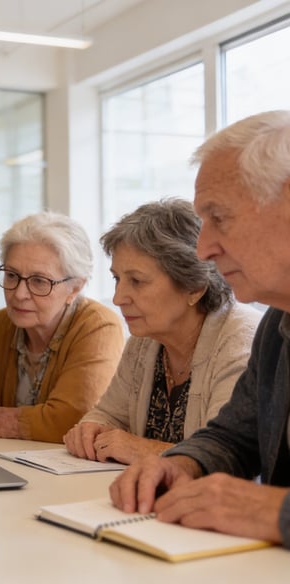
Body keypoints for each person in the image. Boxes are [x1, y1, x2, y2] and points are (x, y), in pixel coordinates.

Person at [109, 110, 290, 548]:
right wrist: (182, 464)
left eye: (219, 217)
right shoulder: (277, 327)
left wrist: (276, 511)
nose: (205, 248)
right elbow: (234, 436)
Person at [64, 199, 260, 465]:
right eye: (116, 278)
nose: (119, 297)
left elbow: (227, 455)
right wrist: (90, 430)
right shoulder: (144, 340)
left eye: (137, 281)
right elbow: (107, 415)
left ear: (194, 287)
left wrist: (138, 448)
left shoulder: (242, 340)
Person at [0, 212, 125, 441]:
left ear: (74, 288)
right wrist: (38, 422)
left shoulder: (98, 326)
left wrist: (6, 422)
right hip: (4, 459)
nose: (19, 294)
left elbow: (71, 419)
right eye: (11, 275)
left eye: (39, 281)